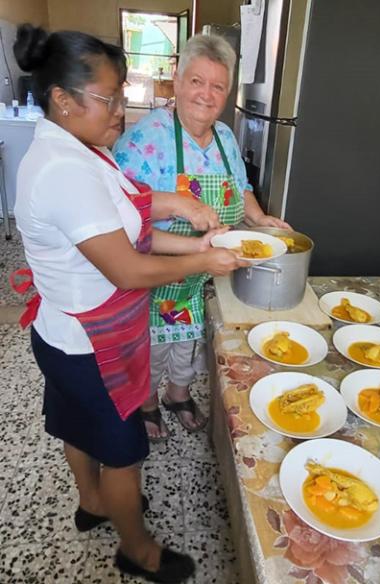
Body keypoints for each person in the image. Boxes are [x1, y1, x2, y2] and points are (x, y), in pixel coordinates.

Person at [12, 24, 246, 583]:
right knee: (124, 450)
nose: (121, 110)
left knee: (75, 423)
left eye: (122, 95)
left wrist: (189, 227)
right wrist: (204, 261)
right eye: (109, 99)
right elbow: (129, 267)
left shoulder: (82, 152)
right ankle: (136, 550)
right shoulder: (64, 170)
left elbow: (133, 219)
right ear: (62, 100)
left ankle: (93, 503)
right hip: (89, 345)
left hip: (65, 334)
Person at [114, 34, 291, 440]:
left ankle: (178, 394)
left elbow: (241, 188)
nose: (206, 95)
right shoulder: (146, 139)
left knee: (192, 343)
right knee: (153, 347)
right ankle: (148, 403)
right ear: (177, 80)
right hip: (158, 271)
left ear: (228, 94)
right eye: (197, 81)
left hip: (207, 272)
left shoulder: (226, 138)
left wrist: (262, 218)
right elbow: (120, 214)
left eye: (218, 86)